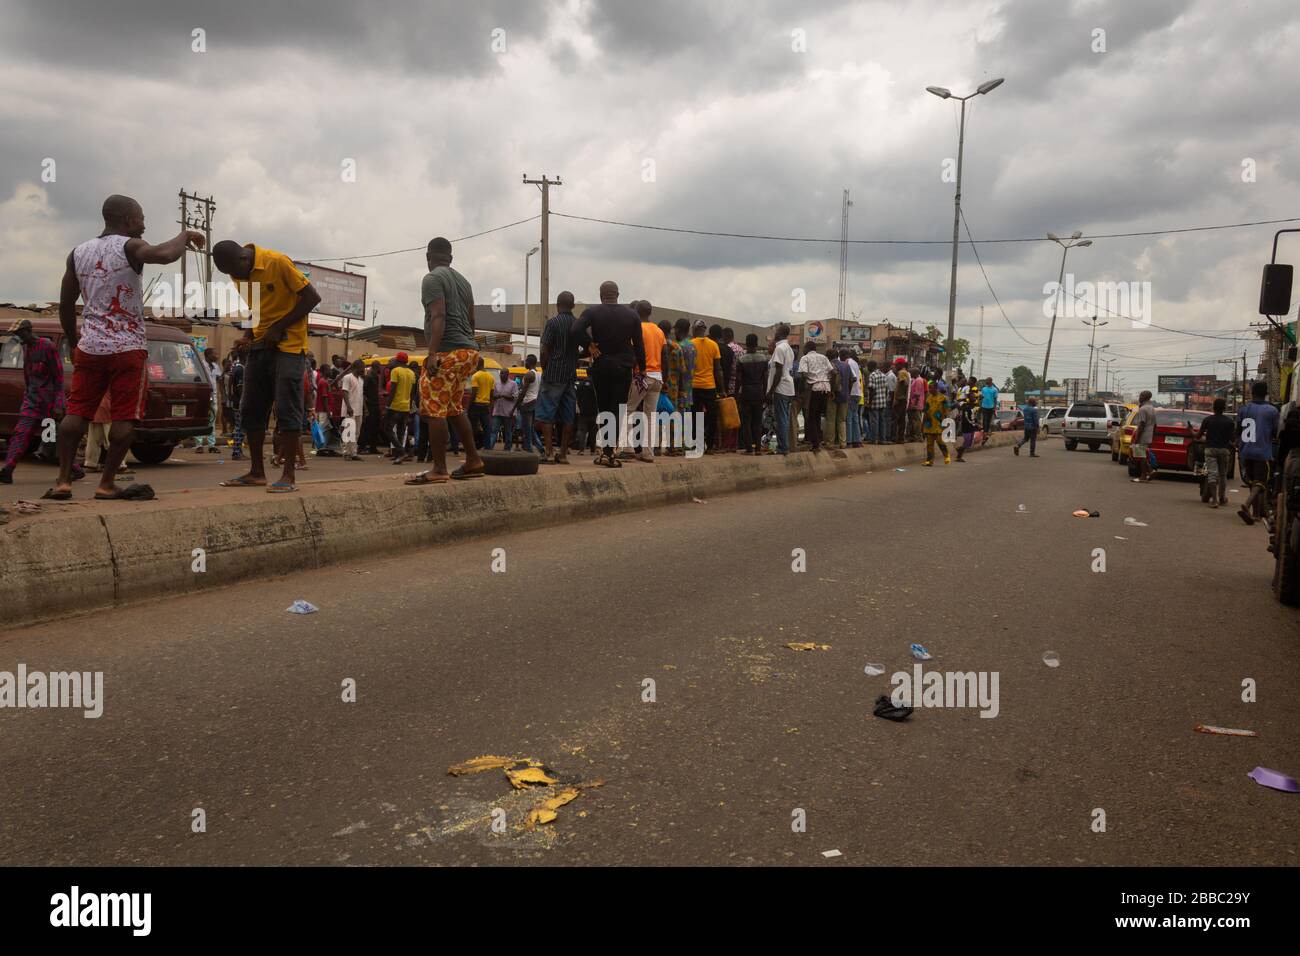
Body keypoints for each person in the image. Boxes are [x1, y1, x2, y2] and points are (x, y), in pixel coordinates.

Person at [49, 195, 204, 501]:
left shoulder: (77, 252)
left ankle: (63, 482)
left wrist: (74, 341)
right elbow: (163, 255)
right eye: (142, 218)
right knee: (124, 417)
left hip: (91, 347)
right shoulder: (130, 245)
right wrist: (185, 235)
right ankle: (106, 483)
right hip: (127, 347)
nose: (144, 224)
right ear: (129, 219)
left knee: (76, 411)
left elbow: (66, 304)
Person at [407, 236, 485, 483]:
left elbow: (437, 314)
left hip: (447, 352)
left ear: (428, 257)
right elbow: (472, 320)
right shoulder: (464, 281)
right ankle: (473, 460)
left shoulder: (432, 279)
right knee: (453, 408)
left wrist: (432, 353)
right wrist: (466, 344)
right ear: (450, 258)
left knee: (433, 409)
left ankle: (439, 469)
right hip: (468, 352)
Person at [571, 281, 645, 468]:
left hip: (602, 365)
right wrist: (642, 368)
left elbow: (575, 330)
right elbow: (639, 345)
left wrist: (590, 345)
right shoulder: (632, 314)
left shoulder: (592, 312)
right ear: (618, 294)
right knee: (618, 409)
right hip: (623, 367)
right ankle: (610, 452)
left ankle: (605, 451)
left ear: (601, 294)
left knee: (603, 408)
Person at [0, 319, 66, 484]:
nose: (17, 337)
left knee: (50, 443)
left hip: (49, 405)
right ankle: (8, 470)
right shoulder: (25, 347)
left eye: (19, 333)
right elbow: (27, 375)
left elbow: (58, 377)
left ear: (28, 331)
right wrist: (27, 396)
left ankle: (74, 469)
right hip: (32, 402)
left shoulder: (48, 347)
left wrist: (59, 404)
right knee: (20, 435)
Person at [537, 291, 588, 465]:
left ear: (557, 305)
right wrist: (575, 357)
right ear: (573, 306)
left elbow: (544, 350)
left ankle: (549, 453)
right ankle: (563, 454)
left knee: (547, 415)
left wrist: (545, 368)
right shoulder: (577, 324)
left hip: (553, 375)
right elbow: (587, 347)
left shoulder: (552, 323)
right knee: (568, 416)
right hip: (570, 376)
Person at [621, 300, 665, 462]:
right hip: (657, 377)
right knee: (650, 416)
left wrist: (633, 371)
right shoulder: (659, 331)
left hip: (642, 376)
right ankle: (647, 453)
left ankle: (627, 447)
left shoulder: (637, 328)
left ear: (636, 312)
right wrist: (662, 376)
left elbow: (634, 353)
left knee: (629, 410)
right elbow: (664, 354)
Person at [1236, 380, 1281, 524]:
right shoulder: (1272, 411)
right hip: (1263, 452)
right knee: (1261, 482)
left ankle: (1255, 514)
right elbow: (1276, 432)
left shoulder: (1244, 409)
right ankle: (1247, 504)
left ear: (1252, 393)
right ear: (1266, 394)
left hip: (1246, 451)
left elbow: (1238, 430)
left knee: (1252, 482)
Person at [1196, 397, 1234, 508]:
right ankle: (1222, 498)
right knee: (1222, 475)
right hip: (1224, 450)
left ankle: (1214, 500)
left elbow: (1198, 436)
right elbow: (1232, 439)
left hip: (1210, 450)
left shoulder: (1207, 420)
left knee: (1212, 474)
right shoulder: (1229, 421)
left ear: (1213, 408)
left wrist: (1191, 432)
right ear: (1224, 408)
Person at [765, 323, 795, 455]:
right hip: (788, 388)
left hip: (781, 388)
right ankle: (784, 446)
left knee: (781, 418)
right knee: (784, 418)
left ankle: (783, 448)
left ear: (779, 333)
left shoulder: (780, 348)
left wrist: (770, 391)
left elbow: (778, 372)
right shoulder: (788, 348)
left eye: (776, 331)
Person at [799, 341, 834, 452]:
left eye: (804, 348)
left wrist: (806, 385)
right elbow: (833, 372)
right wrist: (828, 382)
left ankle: (815, 445)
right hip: (825, 388)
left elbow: (803, 373)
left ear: (807, 348)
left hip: (813, 388)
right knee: (818, 416)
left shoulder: (805, 358)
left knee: (811, 417)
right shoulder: (823, 357)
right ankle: (818, 440)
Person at [737, 333, 769, 454]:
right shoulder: (763, 359)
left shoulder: (741, 359)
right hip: (759, 392)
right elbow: (765, 378)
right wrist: (766, 394)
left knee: (746, 422)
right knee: (757, 421)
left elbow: (739, 380)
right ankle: (758, 449)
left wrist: (736, 395)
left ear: (746, 344)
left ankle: (749, 448)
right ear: (756, 344)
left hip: (746, 393)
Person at [385, 352, 415, 463]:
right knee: (401, 431)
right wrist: (410, 405)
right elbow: (412, 393)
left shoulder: (395, 371)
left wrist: (387, 405)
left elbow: (392, 391)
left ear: (397, 361)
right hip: (406, 407)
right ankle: (399, 455)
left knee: (387, 428)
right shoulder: (411, 373)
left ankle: (401, 452)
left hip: (395, 406)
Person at [194, 347, 222, 452]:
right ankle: (199, 445)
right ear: (208, 355)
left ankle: (211, 445)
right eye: (215, 354)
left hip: (213, 395)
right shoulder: (201, 365)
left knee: (212, 420)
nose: (217, 356)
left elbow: (219, 378)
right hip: (203, 395)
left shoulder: (215, 366)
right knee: (201, 418)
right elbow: (196, 378)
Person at [338, 360, 365, 461]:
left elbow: (361, 394)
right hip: (350, 409)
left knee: (356, 432)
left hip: (359, 409)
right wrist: (349, 407)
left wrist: (365, 408)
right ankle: (346, 452)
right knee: (348, 431)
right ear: (357, 367)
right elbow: (344, 392)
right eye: (363, 367)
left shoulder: (361, 380)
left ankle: (353, 452)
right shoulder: (347, 377)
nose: (364, 369)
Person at [921, 379, 951, 466]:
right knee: (929, 444)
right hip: (929, 423)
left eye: (932, 388)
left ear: (936, 388)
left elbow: (947, 411)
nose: (930, 390)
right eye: (929, 388)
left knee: (940, 441)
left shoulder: (943, 398)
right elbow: (925, 411)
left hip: (938, 423)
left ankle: (946, 456)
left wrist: (947, 422)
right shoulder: (928, 398)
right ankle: (929, 461)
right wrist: (922, 424)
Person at [489, 366, 519, 450]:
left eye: (503, 373)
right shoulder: (496, 383)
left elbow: (516, 397)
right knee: (494, 432)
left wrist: (505, 396)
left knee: (508, 432)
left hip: (508, 413)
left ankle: (507, 449)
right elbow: (492, 397)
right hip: (497, 412)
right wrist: (496, 396)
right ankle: (489, 448)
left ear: (507, 374)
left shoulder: (513, 384)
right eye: (501, 373)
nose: (502, 375)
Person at [517, 354, 541, 454]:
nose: (525, 363)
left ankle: (530, 449)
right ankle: (539, 448)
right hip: (535, 402)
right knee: (530, 428)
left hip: (527, 403)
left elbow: (523, 392)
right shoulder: (539, 374)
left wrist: (518, 403)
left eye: (526, 361)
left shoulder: (529, 375)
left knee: (527, 428)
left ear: (529, 362)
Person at [1131, 390, 1157, 483]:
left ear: (1146, 397)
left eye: (1141, 395)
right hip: (1149, 436)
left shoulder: (1143, 409)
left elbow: (1141, 424)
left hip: (1143, 435)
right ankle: (1148, 472)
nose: (1139, 397)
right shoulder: (1152, 408)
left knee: (1141, 456)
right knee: (1143, 456)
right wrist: (1152, 437)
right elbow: (1155, 425)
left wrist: (1137, 439)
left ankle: (1144, 475)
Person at [468, 359, 494, 450]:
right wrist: (490, 408)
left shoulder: (475, 376)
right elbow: (492, 395)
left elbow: (474, 393)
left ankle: (471, 448)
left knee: (472, 428)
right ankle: (487, 448)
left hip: (476, 405)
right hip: (486, 406)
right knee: (486, 429)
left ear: (477, 364)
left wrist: (468, 407)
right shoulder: (491, 377)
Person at [359, 361, 382, 454]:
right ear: (375, 367)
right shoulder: (368, 377)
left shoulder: (376, 377)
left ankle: (373, 447)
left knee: (375, 427)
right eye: (379, 367)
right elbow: (363, 393)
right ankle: (362, 447)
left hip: (375, 404)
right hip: (370, 405)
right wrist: (366, 408)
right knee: (367, 427)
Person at [845, 350, 863, 447]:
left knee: (849, 417)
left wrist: (847, 391)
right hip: (858, 393)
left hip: (851, 393)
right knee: (855, 417)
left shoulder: (848, 362)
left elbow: (853, 378)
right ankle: (857, 440)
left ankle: (849, 441)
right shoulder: (855, 363)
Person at [955, 387, 977, 462]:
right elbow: (967, 418)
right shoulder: (967, 406)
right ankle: (959, 456)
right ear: (969, 398)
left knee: (969, 443)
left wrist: (975, 423)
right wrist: (974, 423)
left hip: (971, 426)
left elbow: (973, 416)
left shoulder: (972, 406)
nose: (974, 398)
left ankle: (959, 450)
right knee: (967, 442)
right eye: (973, 397)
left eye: (974, 397)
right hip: (967, 426)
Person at [891, 360, 910, 444]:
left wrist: (901, 396)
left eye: (896, 365)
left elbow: (904, 383)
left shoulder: (902, 372)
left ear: (900, 365)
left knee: (895, 419)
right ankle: (900, 438)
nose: (895, 367)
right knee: (902, 420)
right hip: (903, 399)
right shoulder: (905, 372)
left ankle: (894, 438)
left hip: (900, 400)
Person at [907, 367, 927, 442]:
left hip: (916, 405)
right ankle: (913, 437)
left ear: (915, 373)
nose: (910, 374)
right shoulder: (916, 380)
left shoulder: (918, 380)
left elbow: (917, 394)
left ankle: (918, 437)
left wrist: (914, 404)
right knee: (913, 422)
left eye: (911, 372)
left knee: (916, 422)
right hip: (914, 404)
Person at [979, 377, 998, 443]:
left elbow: (995, 399)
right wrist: (980, 405)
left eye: (987, 380)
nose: (986, 381)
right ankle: (985, 432)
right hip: (984, 406)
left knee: (989, 420)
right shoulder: (983, 389)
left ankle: (986, 432)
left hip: (991, 407)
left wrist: (995, 407)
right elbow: (981, 397)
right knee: (985, 419)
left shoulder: (995, 390)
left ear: (991, 381)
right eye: (986, 380)